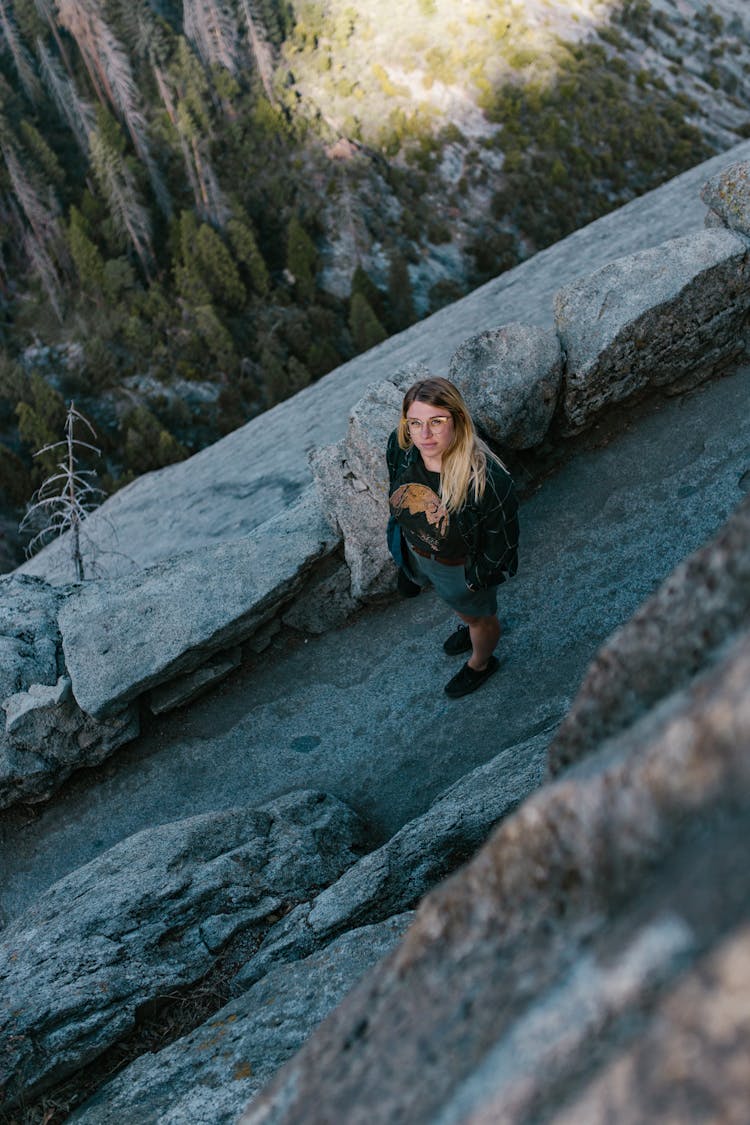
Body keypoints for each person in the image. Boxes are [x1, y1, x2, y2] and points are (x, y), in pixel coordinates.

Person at [386, 376, 519, 698]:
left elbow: (501, 545)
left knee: (480, 618)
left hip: (456, 567)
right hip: (418, 551)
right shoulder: (401, 445)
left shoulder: (485, 480)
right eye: (415, 423)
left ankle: (481, 661)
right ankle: (468, 620)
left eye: (436, 422)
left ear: (457, 419)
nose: (424, 435)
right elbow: (399, 492)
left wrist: (474, 582)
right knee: (463, 609)